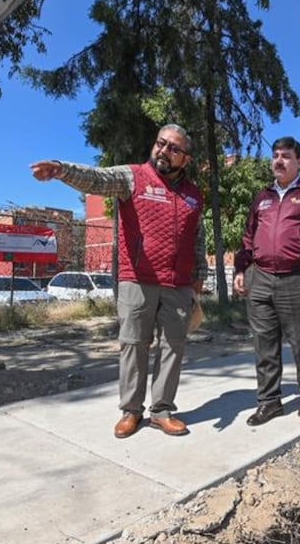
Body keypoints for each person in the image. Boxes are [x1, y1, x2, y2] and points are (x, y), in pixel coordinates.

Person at [30, 124, 206, 439]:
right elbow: (97, 178)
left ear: (186, 159)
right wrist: (61, 170)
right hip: (137, 280)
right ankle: (131, 411)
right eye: (161, 143)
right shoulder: (132, 177)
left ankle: (162, 411)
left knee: (173, 347)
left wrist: (199, 275)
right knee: (134, 345)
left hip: (178, 283)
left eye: (173, 148)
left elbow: (198, 239)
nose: (163, 150)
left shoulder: (194, 195)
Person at [233, 136, 300, 426]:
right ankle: (269, 402)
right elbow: (248, 237)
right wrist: (241, 269)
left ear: (299, 162)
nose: (279, 160)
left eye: (286, 156)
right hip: (261, 278)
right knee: (264, 344)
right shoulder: (262, 197)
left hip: (296, 278)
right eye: (276, 155)